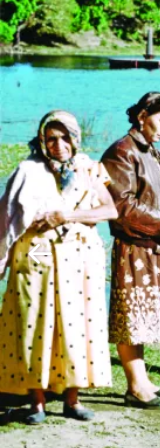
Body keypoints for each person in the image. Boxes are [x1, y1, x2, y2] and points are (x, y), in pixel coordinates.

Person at [0, 111, 117, 423]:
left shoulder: (89, 168)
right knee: (33, 325)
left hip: (79, 259)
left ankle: (72, 399)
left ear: (76, 138)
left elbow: (110, 210)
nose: (59, 145)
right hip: (35, 258)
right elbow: (6, 217)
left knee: (76, 326)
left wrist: (66, 216)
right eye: (51, 139)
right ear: (42, 140)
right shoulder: (27, 170)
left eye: (65, 138)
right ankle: (36, 401)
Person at [101, 92, 160, 409]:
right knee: (131, 316)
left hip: (153, 242)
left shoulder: (149, 151)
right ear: (143, 115)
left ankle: (142, 381)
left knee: (142, 317)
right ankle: (135, 387)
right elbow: (120, 206)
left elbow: (159, 196)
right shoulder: (121, 152)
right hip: (135, 245)